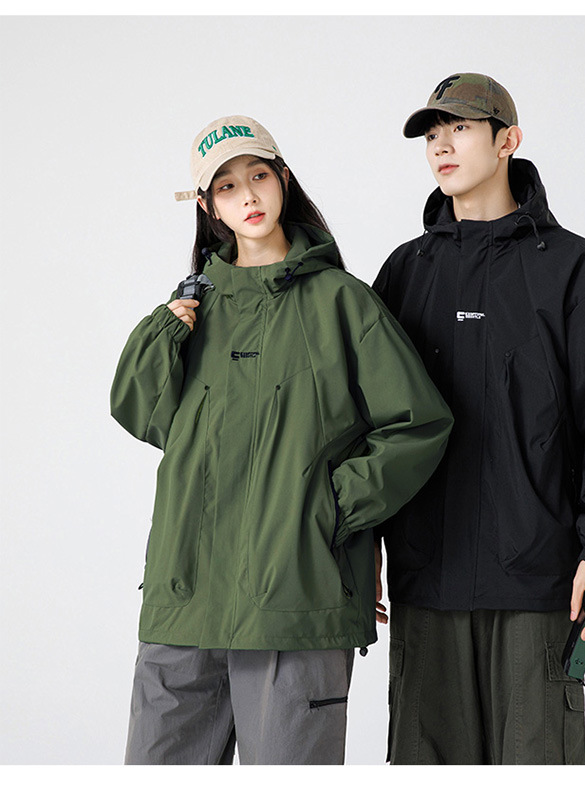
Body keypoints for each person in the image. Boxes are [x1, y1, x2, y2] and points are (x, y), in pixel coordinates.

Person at [110, 115, 453, 765]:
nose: (248, 196)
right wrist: (165, 330)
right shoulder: (193, 312)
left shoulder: (342, 303)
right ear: (208, 207)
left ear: (284, 180)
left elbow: (419, 422)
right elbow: (142, 413)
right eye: (227, 186)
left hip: (296, 599)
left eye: (259, 176)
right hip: (185, 602)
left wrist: (329, 508)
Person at [372, 74, 585, 765]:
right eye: (432, 135)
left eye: (461, 128)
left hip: (540, 580)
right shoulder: (406, 272)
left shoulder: (570, 268)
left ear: (509, 140)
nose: (442, 146)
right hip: (426, 578)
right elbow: (370, 426)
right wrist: (361, 555)